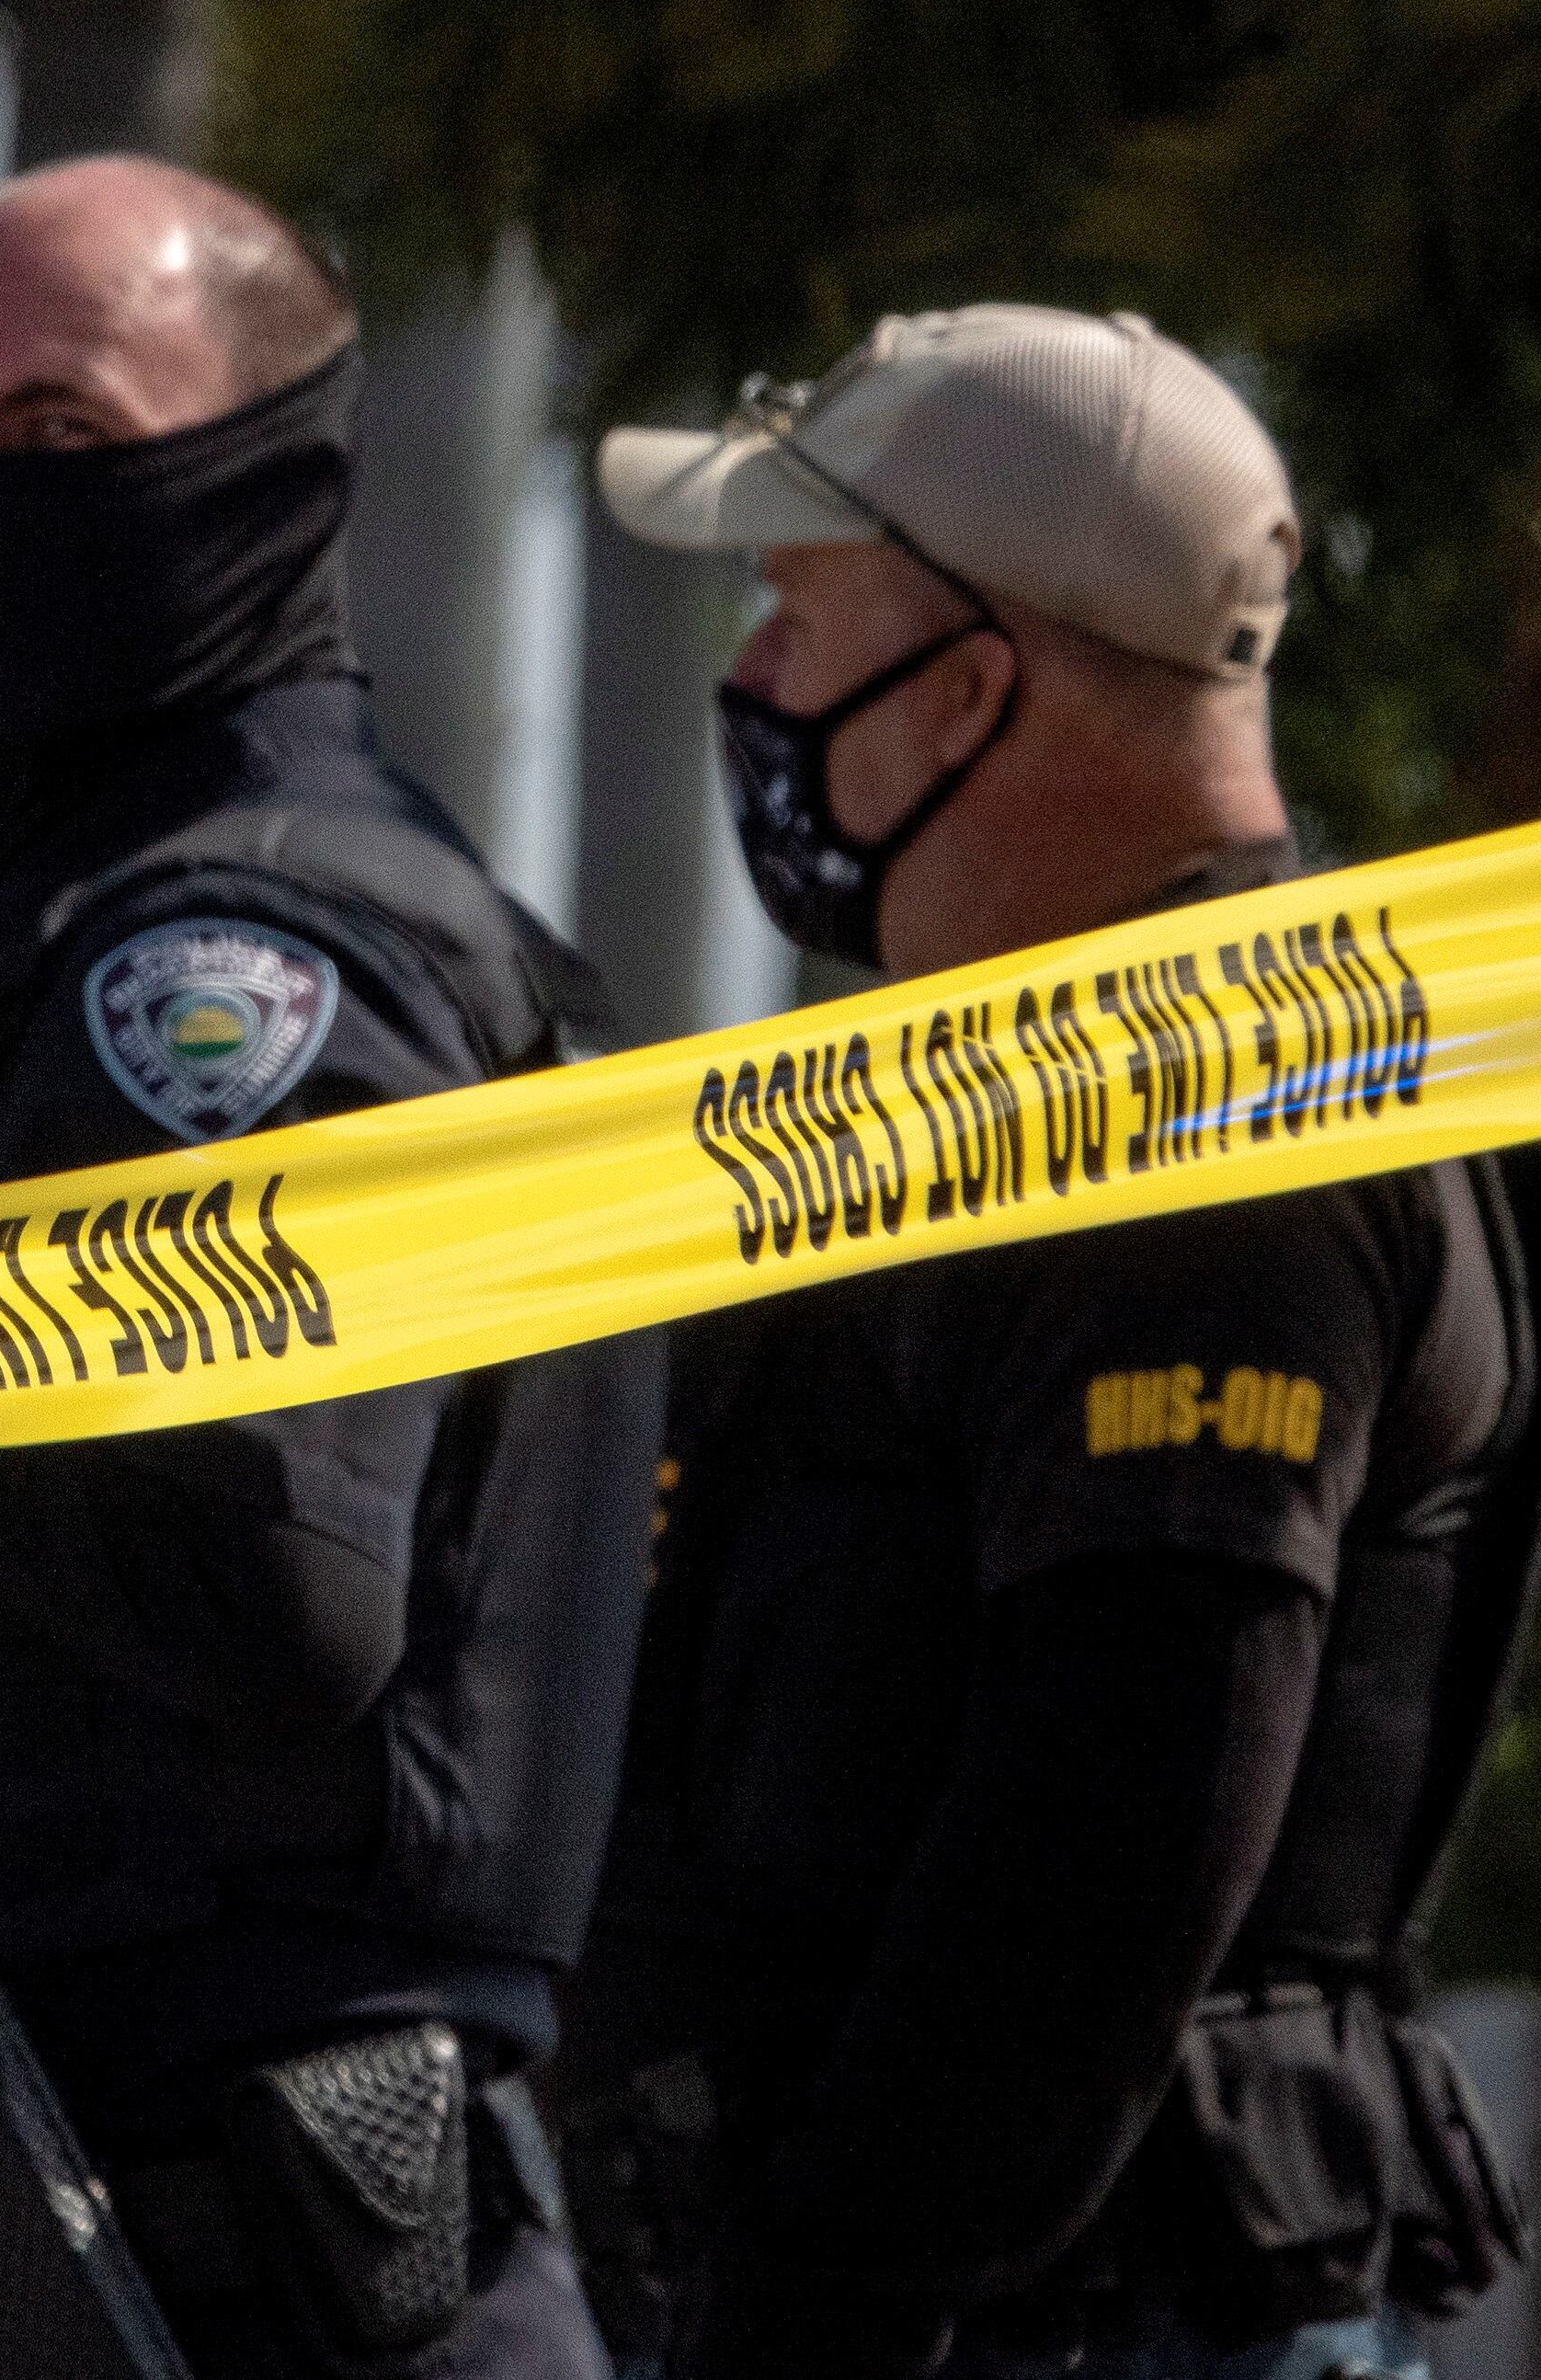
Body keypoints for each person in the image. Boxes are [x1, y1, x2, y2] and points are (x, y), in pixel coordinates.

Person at [0, 154, 663, 2380]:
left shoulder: (244, 960)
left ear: (261, 470)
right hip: (41, 2253)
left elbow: (258, 1556)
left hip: (257, 2268)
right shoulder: (43, 954)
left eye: (57, 435)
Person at [560, 304, 1535, 2380]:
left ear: (964, 693)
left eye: (791, 621)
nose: (743, 683)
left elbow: (1096, 1859)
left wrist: (804, 2323)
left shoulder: (1214, 1129)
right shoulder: (1005, 1093)